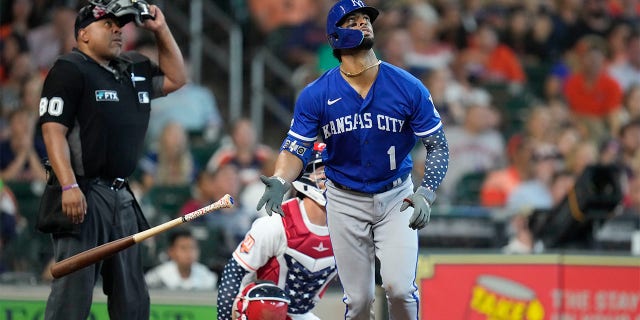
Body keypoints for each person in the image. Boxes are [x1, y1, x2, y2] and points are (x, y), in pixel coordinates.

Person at [255, 1, 450, 319]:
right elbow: (296, 148)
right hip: (344, 198)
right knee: (358, 301)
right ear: (334, 37)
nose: (363, 23)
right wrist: (279, 179)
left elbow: (438, 146)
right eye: (352, 21)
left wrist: (426, 191)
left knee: (400, 289)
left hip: (396, 195)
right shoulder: (316, 93)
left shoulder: (407, 86)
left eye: (365, 19)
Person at [37, 1, 186, 319]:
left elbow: (177, 78)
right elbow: (52, 132)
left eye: (121, 25)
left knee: (132, 295)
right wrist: (68, 185)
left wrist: (160, 29)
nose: (118, 30)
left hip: (121, 194)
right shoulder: (69, 69)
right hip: (84, 193)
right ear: (84, 33)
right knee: (72, 296)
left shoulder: (134, 66)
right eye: (108, 24)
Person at [217, 142, 336, 320]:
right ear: (305, 174)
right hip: (257, 311)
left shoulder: (350, 228)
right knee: (266, 301)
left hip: (299, 313)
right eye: (325, 171)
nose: (336, 178)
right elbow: (233, 274)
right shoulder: (276, 223)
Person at [144, 228, 217, 290]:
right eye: (183, 248)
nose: (189, 252)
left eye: (193, 248)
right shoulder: (157, 277)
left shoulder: (207, 277)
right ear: (171, 252)